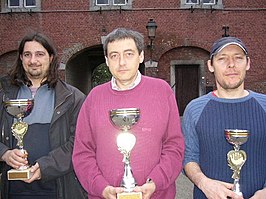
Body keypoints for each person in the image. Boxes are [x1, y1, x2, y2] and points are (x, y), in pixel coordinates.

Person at [72, 28, 185, 199]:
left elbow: (174, 146)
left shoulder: (162, 91)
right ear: (107, 61)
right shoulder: (94, 98)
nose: (122, 62)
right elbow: (82, 152)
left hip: (157, 195)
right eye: (114, 55)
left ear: (141, 56)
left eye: (129, 54)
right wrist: (101, 187)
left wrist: (156, 182)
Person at [0, 32, 87, 199]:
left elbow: (79, 143)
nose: (33, 60)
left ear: (51, 57)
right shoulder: (4, 95)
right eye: (27, 55)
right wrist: (4, 153)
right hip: (12, 191)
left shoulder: (73, 98)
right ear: (21, 58)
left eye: (40, 54)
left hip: (59, 189)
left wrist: (45, 167)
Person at [182, 36, 266, 199]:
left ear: (248, 63)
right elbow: (188, 157)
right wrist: (204, 183)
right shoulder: (195, 109)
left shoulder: (264, 105)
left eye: (238, 58)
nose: (231, 65)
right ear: (210, 66)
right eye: (222, 59)